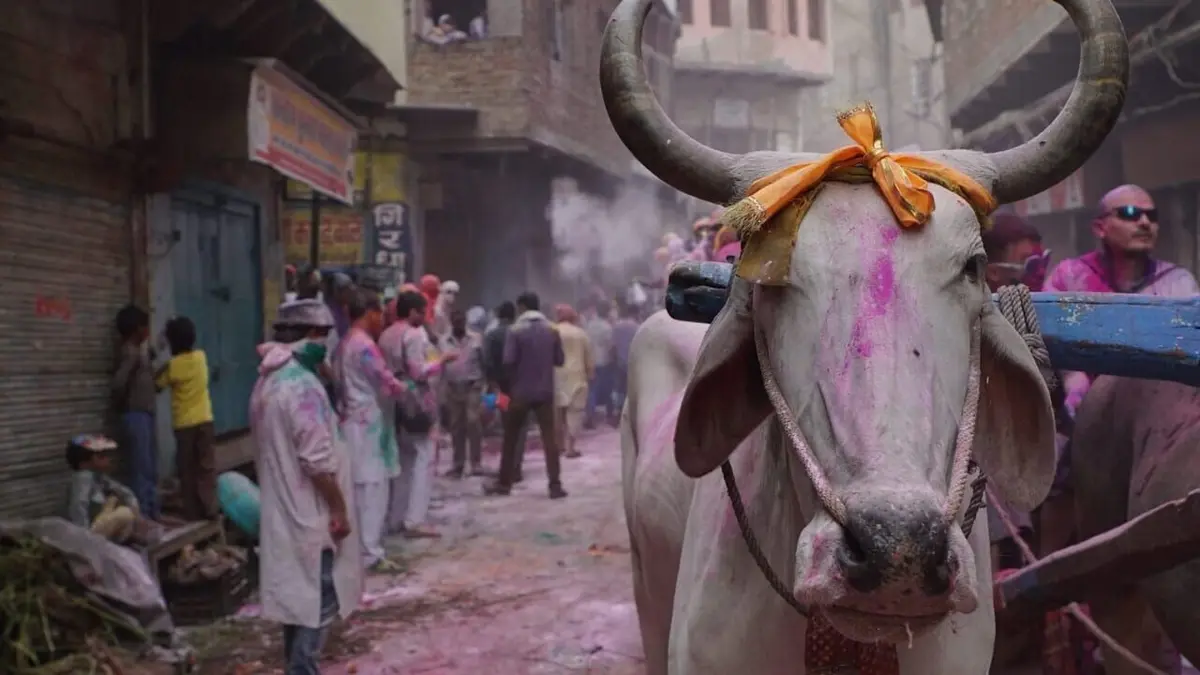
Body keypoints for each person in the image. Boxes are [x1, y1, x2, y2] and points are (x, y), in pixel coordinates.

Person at [250, 299, 359, 675]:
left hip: (283, 510)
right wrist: (339, 509)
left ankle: (295, 667)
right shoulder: (302, 388)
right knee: (318, 599)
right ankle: (302, 670)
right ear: (310, 336)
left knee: (296, 603)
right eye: (323, 336)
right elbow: (316, 462)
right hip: (310, 511)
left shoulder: (268, 380)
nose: (326, 344)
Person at [332, 289, 412, 572]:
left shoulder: (344, 344)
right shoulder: (364, 346)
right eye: (379, 313)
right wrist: (407, 387)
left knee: (358, 487)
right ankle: (370, 552)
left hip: (352, 422)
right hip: (367, 425)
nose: (382, 319)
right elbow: (387, 381)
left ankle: (362, 549)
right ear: (369, 313)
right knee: (372, 488)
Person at [379, 290, 457, 539]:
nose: (424, 317)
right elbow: (418, 372)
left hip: (392, 400)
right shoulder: (412, 335)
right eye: (422, 312)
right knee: (424, 458)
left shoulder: (387, 334)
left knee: (402, 459)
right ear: (412, 312)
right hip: (415, 400)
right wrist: (442, 360)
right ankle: (415, 519)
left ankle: (395, 517)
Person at [484, 292, 567, 499]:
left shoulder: (515, 331)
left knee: (511, 437)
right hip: (545, 392)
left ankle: (504, 483)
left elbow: (508, 361)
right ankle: (555, 484)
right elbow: (559, 360)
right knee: (550, 438)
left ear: (521, 307)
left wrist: (512, 385)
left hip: (520, 392)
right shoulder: (552, 330)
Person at [155, 316, 217, 521]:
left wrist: (158, 348)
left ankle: (193, 514)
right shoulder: (201, 357)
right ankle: (210, 508)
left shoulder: (173, 366)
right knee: (206, 467)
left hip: (184, 426)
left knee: (187, 471)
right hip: (205, 420)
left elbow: (156, 385)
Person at [65, 434, 158, 544]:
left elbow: (125, 492)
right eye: (101, 456)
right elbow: (78, 507)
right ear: (84, 463)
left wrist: (139, 517)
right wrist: (85, 541)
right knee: (125, 513)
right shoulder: (83, 478)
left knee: (116, 499)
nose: (108, 459)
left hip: (96, 525)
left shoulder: (98, 477)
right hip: (86, 535)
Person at [112, 304, 159, 520]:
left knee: (148, 466)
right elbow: (119, 383)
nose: (148, 331)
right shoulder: (130, 353)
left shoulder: (139, 352)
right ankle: (143, 516)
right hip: (136, 415)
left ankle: (151, 510)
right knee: (141, 469)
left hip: (144, 414)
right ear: (136, 329)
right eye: (145, 327)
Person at [483, 301, 528, 478]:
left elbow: (487, 362)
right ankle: (516, 466)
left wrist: (492, 384)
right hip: (520, 386)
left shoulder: (492, 335)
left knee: (507, 424)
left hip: (501, 387)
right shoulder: (520, 333)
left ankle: (507, 467)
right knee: (521, 426)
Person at [441, 309, 486, 478]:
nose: (458, 323)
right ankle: (458, 464)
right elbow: (440, 363)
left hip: (472, 385)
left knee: (473, 421)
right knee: (456, 425)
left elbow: (483, 360)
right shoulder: (443, 340)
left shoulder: (476, 339)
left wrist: (486, 383)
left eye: (461, 320)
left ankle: (476, 463)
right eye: (455, 320)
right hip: (452, 387)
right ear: (451, 322)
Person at [553, 304, 593, 459]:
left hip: (556, 375)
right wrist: (590, 372)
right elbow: (588, 356)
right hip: (577, 376)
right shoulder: (580, 334)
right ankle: (571, 448)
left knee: (558, 413)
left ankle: (559, 445)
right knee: (574, 413)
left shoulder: (552, 331)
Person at [582, 300, 615, 429]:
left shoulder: (589, 325)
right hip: (605, 361)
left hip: (591, 361)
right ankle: (610, 415)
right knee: (608, 389)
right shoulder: (607, 327)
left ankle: (590, 415)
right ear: (607, 312)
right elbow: (611, 346)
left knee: (592, 390)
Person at [611, 301, 641, 415]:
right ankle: (630, 411)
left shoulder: (617, 326)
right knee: (632, 388)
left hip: (619, 362)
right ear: (636, 313)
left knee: (619, 388)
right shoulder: (638, 327)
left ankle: (618, 410)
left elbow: (613, 346)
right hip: (633, 363)